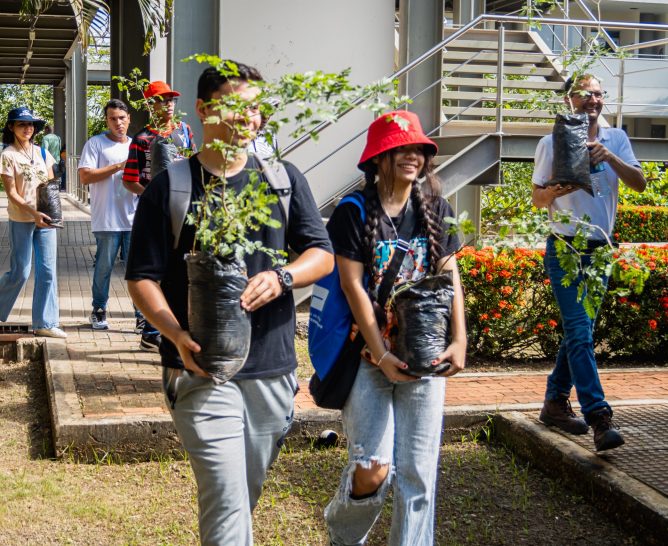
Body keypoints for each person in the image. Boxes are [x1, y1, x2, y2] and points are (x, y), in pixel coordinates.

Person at [124, 62, 334, 545]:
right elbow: (142, 278)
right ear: (202, 110)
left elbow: (321, 255)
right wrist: (175, 335)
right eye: (236, 107)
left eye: (256, 108)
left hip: (271, 370)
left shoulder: (282, 179)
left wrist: (283, 277)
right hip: (200, 369)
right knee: (224, 493)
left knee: (242, 492)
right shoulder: (173, 186)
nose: (249, 118)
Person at [324, 111, 467, 545]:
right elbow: (352, 287)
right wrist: (382, 356)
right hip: (368, 358)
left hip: (427, 359)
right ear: (379, 157)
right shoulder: (351, 212)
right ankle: (343, 536)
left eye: (418, 149)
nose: (412, 156)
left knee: (419, 473)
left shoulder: (437, 209)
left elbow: (450, 278)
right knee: (372, 468)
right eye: (401, 148)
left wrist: (459, 339)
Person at [532, 74, 646, 452]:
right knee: (580, 331)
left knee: (577, 333)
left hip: (600, 249)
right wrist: (556, 189)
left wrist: (609, 156)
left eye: (597, 94)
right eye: (584, 94)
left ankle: (554, 401)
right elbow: (537, 199)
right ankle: (599, 417)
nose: (592, 100)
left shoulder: (617, 139)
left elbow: (640, 184)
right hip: (564, 246)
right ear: (570, 100)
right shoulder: (552, 142)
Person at [122, 80, 197, 351]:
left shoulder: (184, 130)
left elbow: (193, 162)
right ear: (150, 105)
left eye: (171, 99)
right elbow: (130, 179)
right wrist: (153, 198)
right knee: (155, 269)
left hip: (185, 208)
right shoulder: (141, 139)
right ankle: (151, 331)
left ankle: (179, 325)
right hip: (156, 213)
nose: (168, 104)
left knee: (183, 267)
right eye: (161, 100)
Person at [0, 107, 66, 338]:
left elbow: (50, 188)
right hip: (22, 219)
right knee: (21, 271)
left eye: (31, 125)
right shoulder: (8, 155)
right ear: (11, 127)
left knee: (48, 271)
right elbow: (12, 194)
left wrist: (55, 213)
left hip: (45, 220)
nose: (27, 129)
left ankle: (45, 323)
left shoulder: (42, 152)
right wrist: (32, 212)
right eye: (21, 124)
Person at [78, 99, 138, 332]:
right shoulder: (95, 144)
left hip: (134, 219)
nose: (118, 123)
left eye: (122, 118)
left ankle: (141, 315)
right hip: (106, 219)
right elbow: (85, 177)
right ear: (107, 120)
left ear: (129, 119)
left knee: (137, 271)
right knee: (104, 268)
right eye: (113, 118)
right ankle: (99, 310)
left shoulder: (136, 145)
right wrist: (119, 166)